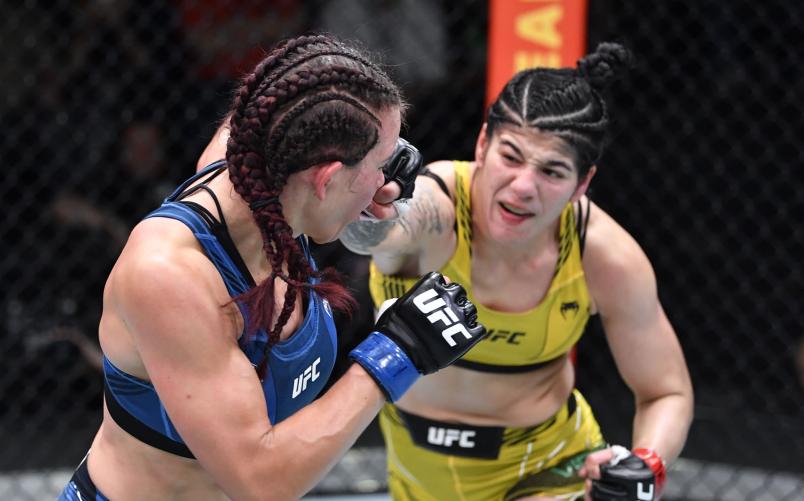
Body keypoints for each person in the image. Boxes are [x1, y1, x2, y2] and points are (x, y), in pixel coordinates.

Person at [57, 34, 487, 501]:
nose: (388, 183)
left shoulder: (269, 170)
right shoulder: (170, 275)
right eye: (381, 166)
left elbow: (282, 94)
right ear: (325, 177)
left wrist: (366, 169)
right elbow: (260, 481)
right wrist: (396, 355)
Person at [338, 43, 694, 501]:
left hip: (547, 468)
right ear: (483, 145)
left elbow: (666, 391)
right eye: (511, 156)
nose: (523, 187)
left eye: (552, 171)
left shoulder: (604, 255)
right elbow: (376, 234)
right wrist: (370, 203)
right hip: (416, 472)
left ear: (581, 184)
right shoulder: (440, 207)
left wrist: (646, 466)